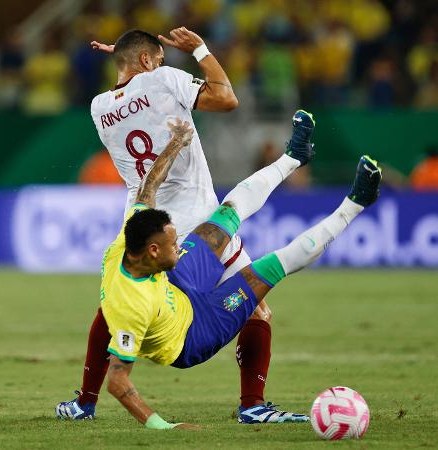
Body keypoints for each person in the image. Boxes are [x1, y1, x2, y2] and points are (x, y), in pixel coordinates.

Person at [56, 116, 382, 428]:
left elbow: (148, 187)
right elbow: (117, 380)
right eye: (173, 244)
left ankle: (292, 158)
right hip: (193, 332)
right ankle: (355, 204)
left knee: (225, 214)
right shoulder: (132, 306)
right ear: (153, 251)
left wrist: (176, 142)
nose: (178, 246)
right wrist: (161, 426)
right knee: (270, 268)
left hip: (176, 284)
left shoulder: (129, 240)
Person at [57, 27, 313, 423]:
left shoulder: (98, 106)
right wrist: (200, 50)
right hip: (195, 223)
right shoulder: (162, 78)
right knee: (256, 309)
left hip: (143, 222)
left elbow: (133, 95)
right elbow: (226, 97)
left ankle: (84, 403)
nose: (163, 63)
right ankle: (253, 406)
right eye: (158, 58)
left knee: (116, 305)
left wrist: (129, 57)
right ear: (147, 62)